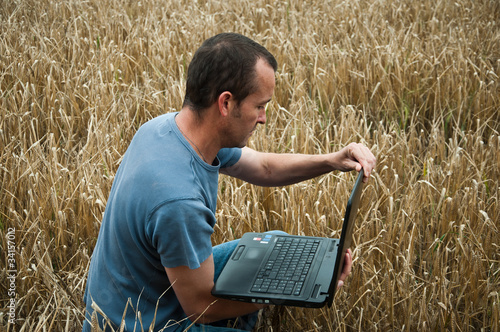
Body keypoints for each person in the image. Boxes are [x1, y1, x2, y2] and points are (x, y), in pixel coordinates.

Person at [82, 32, 376, 332]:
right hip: (135, 323)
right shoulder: (178, 200)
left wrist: (331, 160)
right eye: (259, 106)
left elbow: (263, 167)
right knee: (264, 276)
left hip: (141, 294)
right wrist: (294, 290)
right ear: (225, 103)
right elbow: (202, 308)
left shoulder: (165, 129)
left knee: (272, 246)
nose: (263, 118)